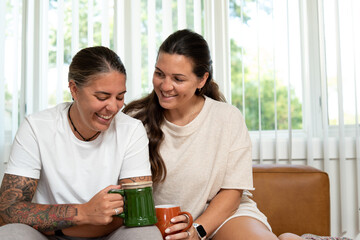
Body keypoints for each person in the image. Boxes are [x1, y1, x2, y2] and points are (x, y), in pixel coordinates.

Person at [123, 29, 304, 240]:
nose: (165, 86)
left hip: (224, 216)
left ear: (202, 80)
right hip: (166, 223)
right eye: (159, 73)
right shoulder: (135, 119)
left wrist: (197, 231)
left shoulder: (227, 118)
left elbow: (232, 192)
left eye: (178, 79)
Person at [0, 46, 162, 240]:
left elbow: (136, 212)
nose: (113, 107)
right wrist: (83, 213)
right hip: (47, 236)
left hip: (107, 235)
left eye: (120, 97)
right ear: (74, 89)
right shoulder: (36, 127)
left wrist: (64, 226)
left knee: (146, 234)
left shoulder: (131, 130)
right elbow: (7, 211)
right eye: (102, 97)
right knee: (10, 234)